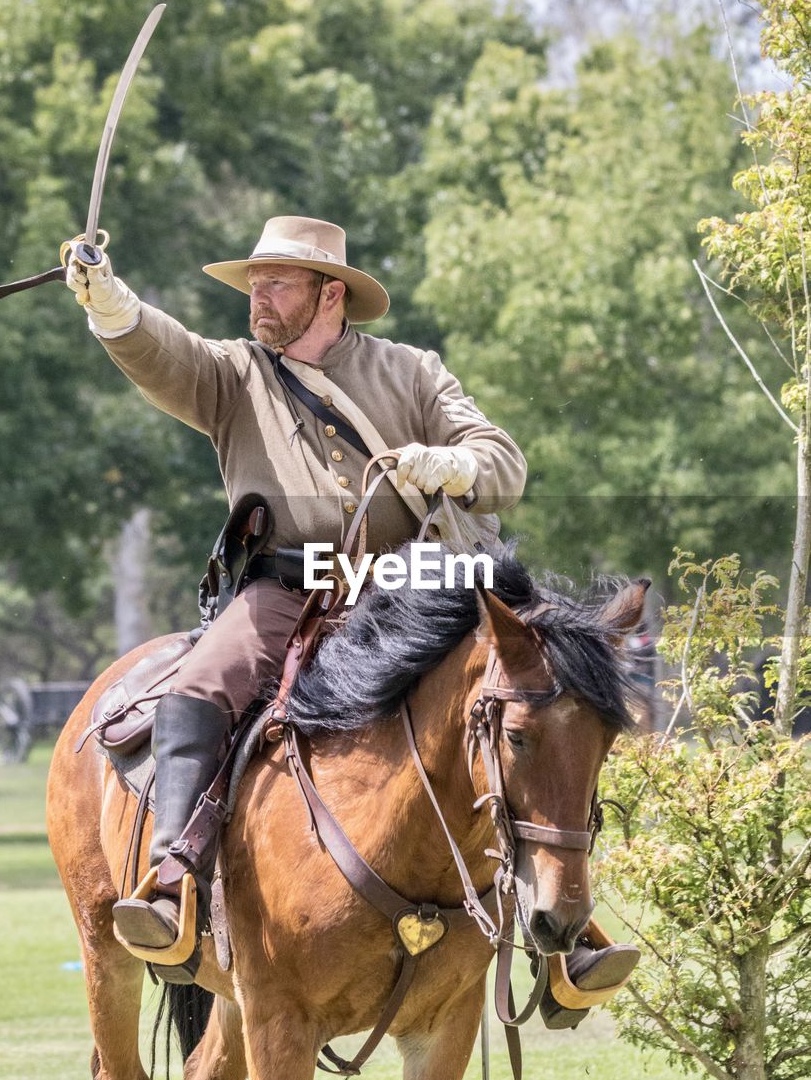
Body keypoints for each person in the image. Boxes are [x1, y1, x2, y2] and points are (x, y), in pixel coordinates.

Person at [66, 215, 638, 1009]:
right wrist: (109, 303)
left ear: (329, 293)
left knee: (545, 688)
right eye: (254, 283)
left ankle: (568, 936)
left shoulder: (411, 372)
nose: (256, 297)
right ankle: (174, 880)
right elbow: (163, 354)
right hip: (284, 587)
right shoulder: (232, 375)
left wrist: (455, 463)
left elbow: (503, 464)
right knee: (200, 689)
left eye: (276, 283)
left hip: (413, 586)